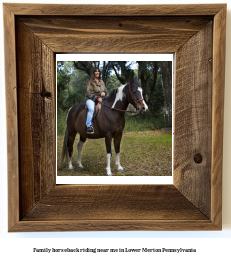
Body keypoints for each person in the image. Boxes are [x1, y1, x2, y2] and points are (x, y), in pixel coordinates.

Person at [85, 67, 107, 134]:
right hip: (90, 99)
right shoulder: (90, 82)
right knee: (91, 109)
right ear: (93, 73)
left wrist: (104, 93)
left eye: (98, 71)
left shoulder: (102, 81)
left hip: (100, 99)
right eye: (96, 71)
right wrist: (97, 98)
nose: (97, 72)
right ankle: (88, 126)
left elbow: (105, 89)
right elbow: (89, 93)